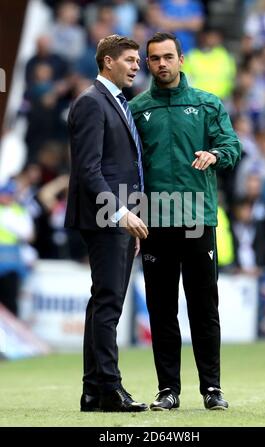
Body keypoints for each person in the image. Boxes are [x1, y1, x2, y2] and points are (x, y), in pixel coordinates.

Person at [130, 32, 241, 411]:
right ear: (148, 64)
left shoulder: (208, 104)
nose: (162, 64)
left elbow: (232, 146)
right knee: (162, 310)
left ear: (181, 59)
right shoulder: (137, 108)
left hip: (197, 220)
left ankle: (212, 388)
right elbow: (130, 168)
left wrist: (215, 154)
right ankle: (168, 390)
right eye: (155, 58)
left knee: (204, 309)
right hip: (155, 223)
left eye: (168, 57)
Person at [64, 34, 149, 412]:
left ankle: (93, 391)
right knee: (109, 303)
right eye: (130, 59)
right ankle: (111, 389)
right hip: (105, 217)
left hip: (116, 217)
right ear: (108, 62)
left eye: (137, 60)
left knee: (102, 303)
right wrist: (120, 213)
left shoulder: (114, 102)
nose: (137, 66)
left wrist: (130, 214)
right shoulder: (91, 102)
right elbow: (88, 169)